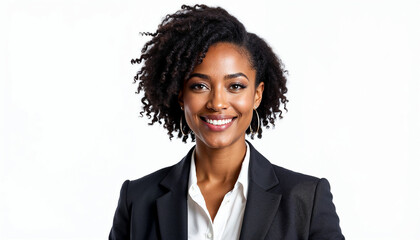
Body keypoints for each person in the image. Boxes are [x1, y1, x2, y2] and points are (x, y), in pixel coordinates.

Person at [109, 4, 344, 240]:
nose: (217, 102)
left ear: (257, 95)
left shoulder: (306, 199)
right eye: (199, 86)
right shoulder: (137, 200)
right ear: (181, 95)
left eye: (235, 86)